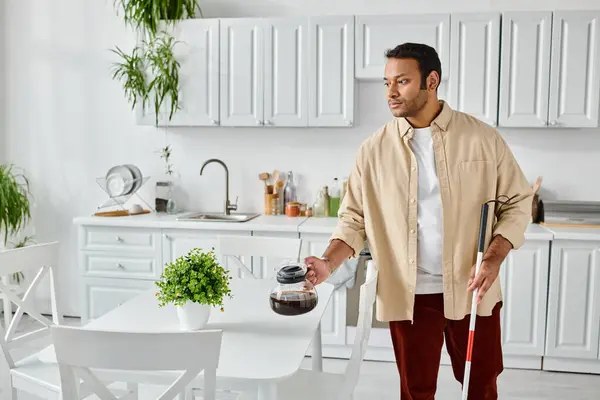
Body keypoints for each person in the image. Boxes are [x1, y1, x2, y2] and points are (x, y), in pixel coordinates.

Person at [304, 42, 533, 399]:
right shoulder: (373, 151)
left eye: (402, 81)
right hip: (410, 296)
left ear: (432, 80)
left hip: (473, 291)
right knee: (415, 392)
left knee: (481, 386)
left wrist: (493, 257)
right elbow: (353, 218)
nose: (391, 93)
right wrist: (328, 261)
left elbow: (519, 202)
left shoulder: (482, 139)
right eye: (386, 82)